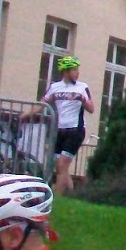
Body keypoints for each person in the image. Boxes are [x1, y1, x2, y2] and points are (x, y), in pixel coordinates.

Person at [42, 55, 93, 197]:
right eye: (74, 70)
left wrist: (82, 99)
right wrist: (25, 115)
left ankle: (56, 198)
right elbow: (42, 103)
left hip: (76, 130)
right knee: (60, 166)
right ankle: (73, 194)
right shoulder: (55, 87)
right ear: (65, 72)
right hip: (60, 130)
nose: (77, 73)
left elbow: (91, 109)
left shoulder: (82, 87)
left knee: (62, 165)